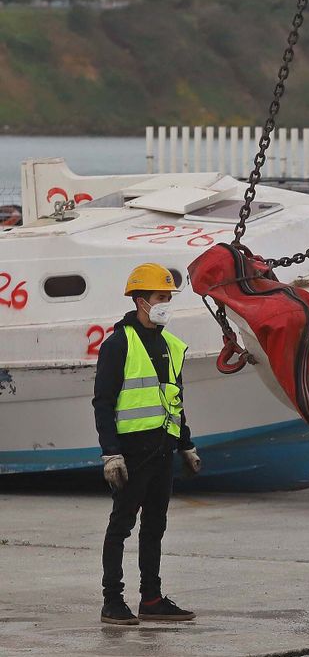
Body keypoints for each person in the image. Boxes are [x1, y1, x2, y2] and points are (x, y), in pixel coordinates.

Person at [94, 263, 200, 626]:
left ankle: (151, 599)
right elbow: (103, 402)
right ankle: (112, 601)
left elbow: (175, 400)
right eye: (160, 297)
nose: (166, 303)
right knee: (121, 526)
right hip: (132, 453)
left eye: (169, 297)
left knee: (155, 525)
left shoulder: (170, 345)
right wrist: (111, 454)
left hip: (163, 450)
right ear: (141, 301)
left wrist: (186, 444)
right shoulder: (118, 344)